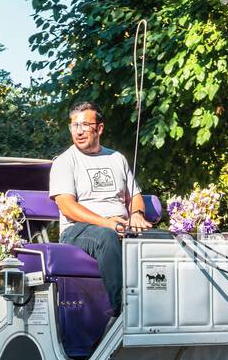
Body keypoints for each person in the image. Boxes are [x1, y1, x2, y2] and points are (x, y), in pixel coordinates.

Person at [48, 101, 152, 317]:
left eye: (85, 125)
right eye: (74, 126)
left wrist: (137, 214)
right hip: (78, 230)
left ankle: (167, 305)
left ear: (99, 128)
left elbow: (135, 197)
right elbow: (68, 207)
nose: (79, 131)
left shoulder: (116, 158)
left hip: (119, 227)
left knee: (163, 241)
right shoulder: (65, 162)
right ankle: (124, 311)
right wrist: (110, 223)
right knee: (106, 236)